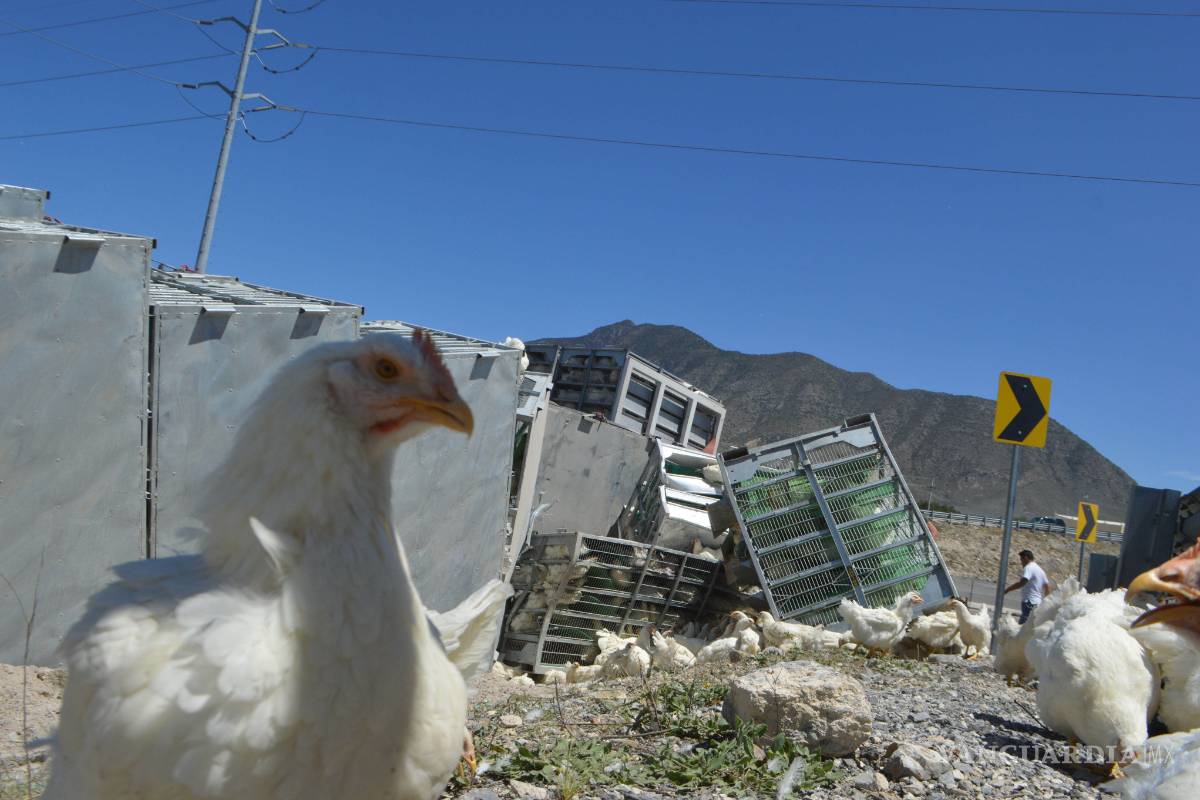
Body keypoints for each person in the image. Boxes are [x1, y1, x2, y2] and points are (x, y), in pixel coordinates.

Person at [1004, 549, 1053, 624]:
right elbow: (1048, 587)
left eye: (1021, 560)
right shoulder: (1040, 570)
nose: (1021, 563)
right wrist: (1047, 601)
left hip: (1029, 602)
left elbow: (1023, 582)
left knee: (1023, 626)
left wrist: (1007, 590)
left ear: (1026, 558)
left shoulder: (1029, 567)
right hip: (1037, 603)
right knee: (1031, 626)